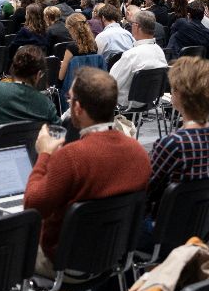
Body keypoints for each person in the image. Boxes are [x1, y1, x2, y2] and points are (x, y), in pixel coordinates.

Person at [25, 68, 150, 277]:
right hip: (114, 254)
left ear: (78, 108)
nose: (68, 103)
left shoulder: (71, 157)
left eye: (70, 99)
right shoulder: (139, 153)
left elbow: (32, 205)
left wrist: (44, 155)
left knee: (6, 244)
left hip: (65, 262)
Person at [147, 58, 209, 217]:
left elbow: (146, 190)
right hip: (204, 220)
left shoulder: (172, 144)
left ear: (179, 94)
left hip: (169, 223)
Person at [0, 46, 59, 148]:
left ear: (13, 68)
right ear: (39, 74)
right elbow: (59, 133)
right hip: (27, 156)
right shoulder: (47, 105)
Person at [109, 10, 169, 107]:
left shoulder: (131, 55)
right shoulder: (160, 51)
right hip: (151, 100)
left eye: (131, 24)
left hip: (128, 102)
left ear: (136, 26)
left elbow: (112, 83)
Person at [58, 13, 106, 111]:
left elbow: (61, 76)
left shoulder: (71, 48)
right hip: (92, 87)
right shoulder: (94, 46)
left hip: (73, 88)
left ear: (72, 29)